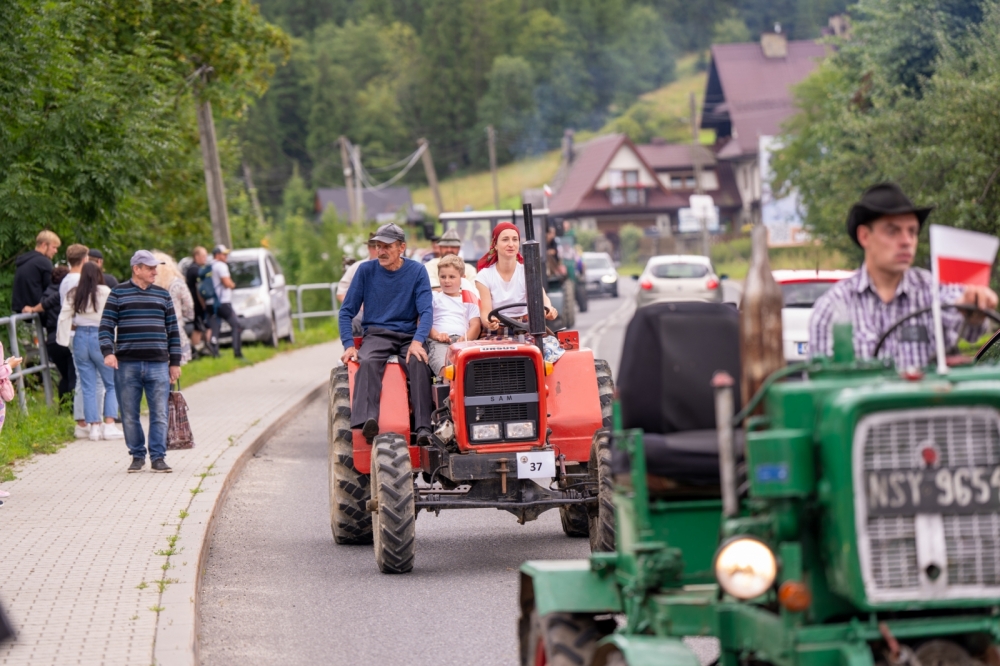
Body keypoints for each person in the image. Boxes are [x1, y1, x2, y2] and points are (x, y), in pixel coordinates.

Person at [810, 182, 998, 368]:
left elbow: (968, 323)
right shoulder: (832, 307)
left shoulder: (931, 290)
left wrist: (972, 307)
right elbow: (820, 383)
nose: (907, 241)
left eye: (912, 232)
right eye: (893, 231)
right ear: (865, 236)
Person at [338, 223, 434, 445]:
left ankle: (423, 428)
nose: (381, 251)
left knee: (419, 362)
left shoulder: (417, 271)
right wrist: (348, 345)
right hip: (377, 335)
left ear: (402, 248)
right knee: (367, 360)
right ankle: (367, 422)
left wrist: (418, 341)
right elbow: (346, 311)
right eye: (378, 246)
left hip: (409, 335)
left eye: (387, 246)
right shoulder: (365, 271)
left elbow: (426, 311)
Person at [100, 250, 182, 473]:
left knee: (160, 413)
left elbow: (173, 331)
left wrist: (175, 362)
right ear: (136, 269)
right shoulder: (118, 293)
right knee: (129, 414)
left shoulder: (163, 295)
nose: (155, 271)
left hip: (158, 364)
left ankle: (158, 457)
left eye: (155, 267)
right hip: (127, 365)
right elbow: (106, 326)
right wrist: (108, 352)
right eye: (150, 268)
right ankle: (137, 455)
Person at [58, 262, 123, 441]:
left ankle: (94, 427)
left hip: (80, 337)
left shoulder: (74, 292)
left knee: (87, 385)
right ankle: (109, 424)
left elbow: (63, 316)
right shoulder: (106, 291)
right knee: (111, 383)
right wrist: (117, 340)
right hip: (101, 337)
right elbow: (116, 316)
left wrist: (63, 340)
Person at [475, 222, 558, 332]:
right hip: (497, 330)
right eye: (505, 239)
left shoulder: (528, 271)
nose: (511, 244)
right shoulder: (484, 276)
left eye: (515, 239)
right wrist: (489, 322)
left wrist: (549, 309)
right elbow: (485, 312)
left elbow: (543, 298)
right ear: (495, 245)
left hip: (527, 328)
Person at [58, 244, 94, 437]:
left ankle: (84, 419)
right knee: (87, 378)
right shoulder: (79, 280)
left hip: (71, 332)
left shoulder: (65, 280)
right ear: (85, 259)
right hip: (79, 331)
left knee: (82, 377)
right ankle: (84, 420)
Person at [427, 255, 482, 374]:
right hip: (440, 342)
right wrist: (437, 335)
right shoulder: (433, 298)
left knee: (472, 368)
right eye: (443, 277)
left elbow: (475, 325)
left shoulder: (469, 299)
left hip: (465, 341)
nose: (446, 280)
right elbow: (423, 322)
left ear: (463, 278)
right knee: (445, 367)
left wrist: (467, 338)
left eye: (452, 277)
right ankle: (447, 383)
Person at [153, 251, 195, 365]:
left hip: (154, 331)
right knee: (174, 367)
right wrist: (186, 316)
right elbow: (189, 305)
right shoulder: (177, 283)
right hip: (175, 330)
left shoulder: (149, 285)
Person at [42, 266, 75, 400]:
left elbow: (42, 318)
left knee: (64, 376)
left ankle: (63, 407)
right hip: (67, 336)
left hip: (52, 340)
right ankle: (74, 407)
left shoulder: (45, 295)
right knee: (73, 376)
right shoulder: (69, 292)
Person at [12, 230, 60, 315]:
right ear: (44, 245)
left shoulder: (24, 260)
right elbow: (51, 290)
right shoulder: (44, 262)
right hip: (36, 312)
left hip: (19, 311)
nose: (56, 251)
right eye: (54, 247)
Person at [208, 245, 243, 360]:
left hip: (211, 303)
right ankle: (237, 353)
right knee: (236, 325)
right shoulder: (221, 266)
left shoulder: (209, 266)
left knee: (215, 328)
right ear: (217, 255)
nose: (226, 256)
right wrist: (233, 285)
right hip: (223, 302)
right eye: (224, 254)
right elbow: (227, 283)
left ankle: (215, 354)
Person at [185, 246, 209, 354]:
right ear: (196, 256)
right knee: (198, 327)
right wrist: (203, 305)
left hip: (197, 303)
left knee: (203, 326)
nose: (205, 258)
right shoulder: (195, 270)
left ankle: (204, 348)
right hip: (197, 304)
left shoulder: (195, 268)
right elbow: (199, 290)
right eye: (203, 256)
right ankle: (193, 351)